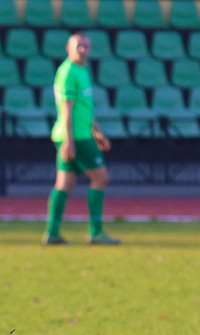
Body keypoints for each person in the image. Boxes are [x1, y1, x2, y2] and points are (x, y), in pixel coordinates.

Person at [44, 31, 120, 246]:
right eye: (79, 46)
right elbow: (67, 109)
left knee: (65, 183)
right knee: (100, 178)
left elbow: (84, 109)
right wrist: (69, 140)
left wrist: (97, 132)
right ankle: (96, 233)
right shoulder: (68, 72)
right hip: (76, 137)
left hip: (79, 134)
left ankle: (52, 233)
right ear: (68, 48)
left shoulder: (81, 70)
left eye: (86, 46)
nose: (84, 50)